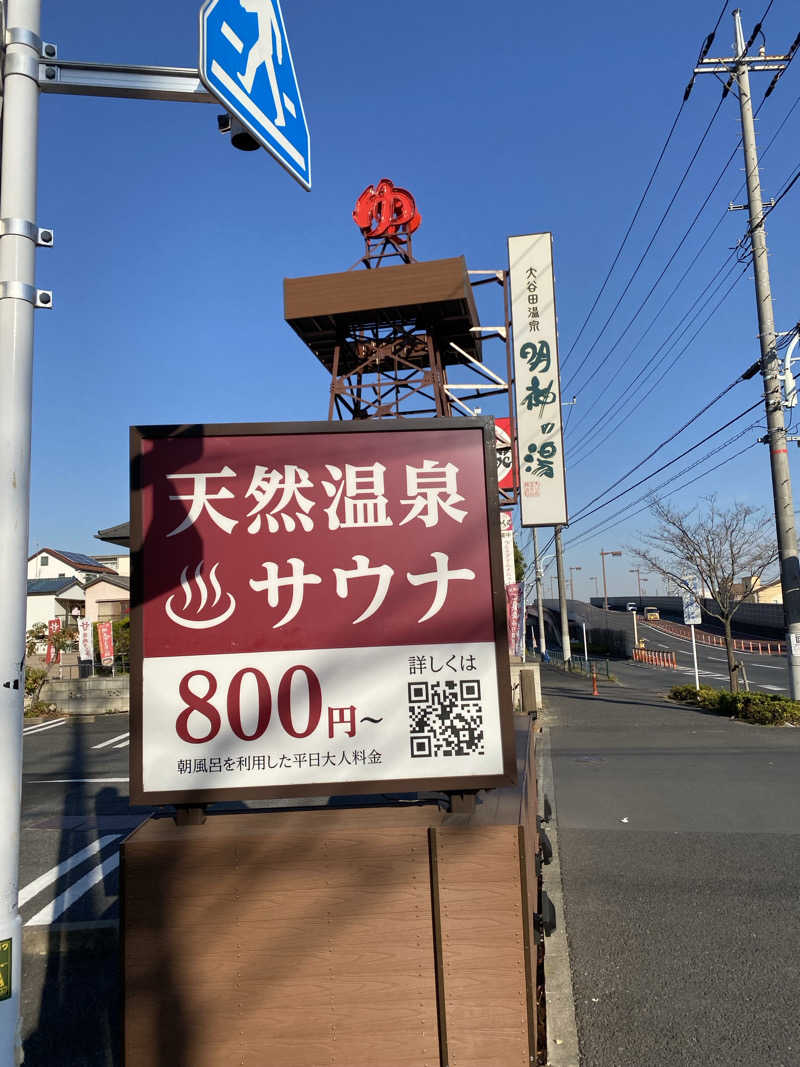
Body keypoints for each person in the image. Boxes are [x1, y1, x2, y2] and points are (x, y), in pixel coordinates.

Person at [237, 0, 285, 127]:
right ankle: (281, 116)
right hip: (265, 44)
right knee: (272, 81)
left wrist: (280, 54)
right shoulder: (265, 4)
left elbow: (277, 32)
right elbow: (277, 32)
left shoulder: (265, 3)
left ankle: (247, 82)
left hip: (264, 45)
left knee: (272, 81)